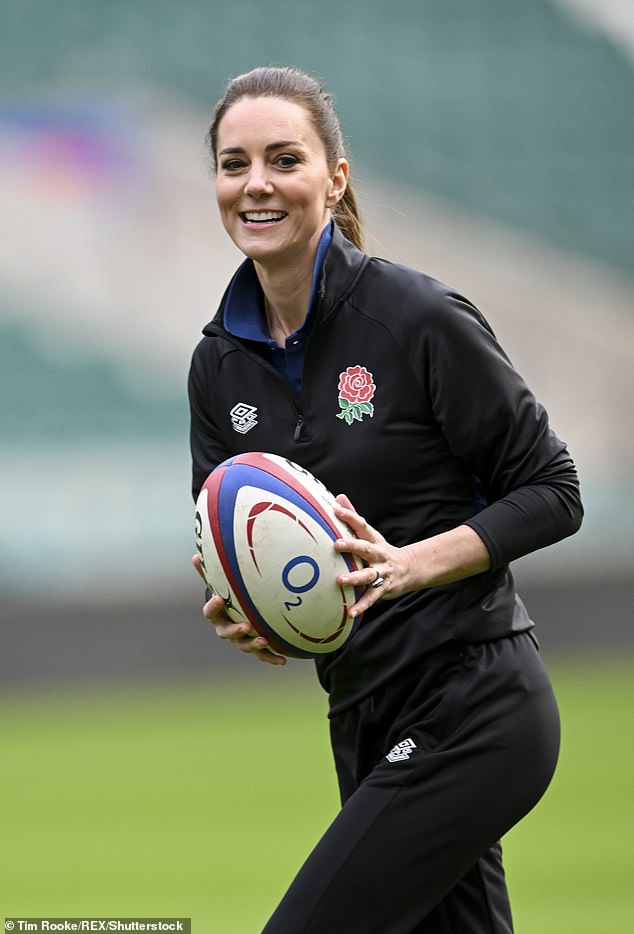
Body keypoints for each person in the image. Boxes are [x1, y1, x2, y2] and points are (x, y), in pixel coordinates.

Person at [188, 65, 583, 934]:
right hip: (361, 709)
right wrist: (240, 609)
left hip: (476, 705)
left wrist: (411, 564)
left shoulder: (416, 317)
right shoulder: (218, 365)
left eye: (283, 159)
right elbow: (229, 540)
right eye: (233, 163)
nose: (255, 184)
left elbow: (554, 490)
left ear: (333, 178)